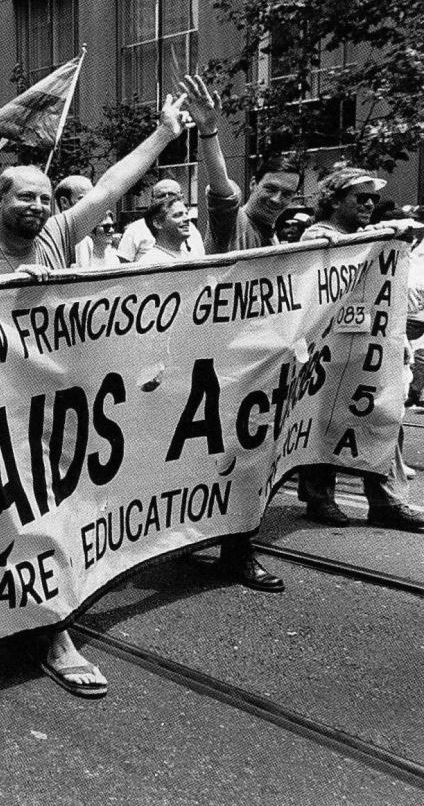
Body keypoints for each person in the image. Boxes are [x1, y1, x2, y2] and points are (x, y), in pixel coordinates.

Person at [0, 89, 194, 700]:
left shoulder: (61, 237)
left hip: (66, 417)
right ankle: (39, 633)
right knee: (14, 526)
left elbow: (110, 189)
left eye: (43, 196)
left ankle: (49, 625)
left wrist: (165, 133)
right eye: (23, 196)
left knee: (59, 520)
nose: (37, 205)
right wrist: (8, 299)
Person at [166, 73, 288, 591]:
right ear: (254, 188)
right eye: (269, 189)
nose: (276, 198)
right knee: (236, 459)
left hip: (260, 365)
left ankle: (219, 541)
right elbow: (220, 190)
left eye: (285, 194)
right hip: (224, 367)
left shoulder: (282, 239)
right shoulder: (233, 223)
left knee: (244, 459)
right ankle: (236, 552)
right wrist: (209, 133)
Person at [296, 167, 424, 532]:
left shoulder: (366, 237)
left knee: (383, 415)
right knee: (323, 418)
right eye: (360, 197)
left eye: (373, 198)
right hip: (328, 346)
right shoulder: (320, 234)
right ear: (336, 201)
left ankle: (386, 500)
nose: (369, 204)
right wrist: (382, 234)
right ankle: (319, 497)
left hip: (365, 344)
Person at [116, 178, 206, 261]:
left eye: (172, 195)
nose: (167, 199)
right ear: (152, 200)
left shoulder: (190, 228)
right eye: (162, 196)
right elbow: (123, 267)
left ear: (182, 198)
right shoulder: (135, 229)